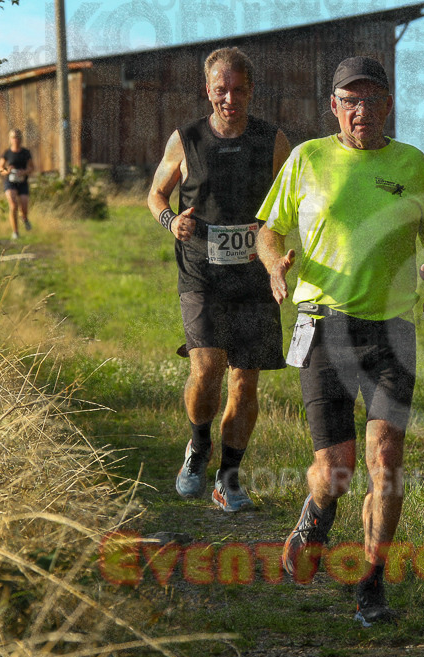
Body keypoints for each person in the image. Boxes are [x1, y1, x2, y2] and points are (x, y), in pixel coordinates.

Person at [256, 56, 424, 626]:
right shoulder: (307, 158)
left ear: (388, 105)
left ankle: (372, 582)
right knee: (337, 469)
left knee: (386, 458)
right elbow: (269, 230)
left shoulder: (411, 163)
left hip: (393, 328)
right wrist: (275, 266)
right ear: (334, 106)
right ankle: (317, 514)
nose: (361, 110)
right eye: (350, 100)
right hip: (323, 324)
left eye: (371, 99)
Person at [147, 47, 291, 513]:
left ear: (251, 90)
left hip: (254, 275)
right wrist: (171, 220)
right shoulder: (185, 139)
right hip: (201, 272)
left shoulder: (273, 140)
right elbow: (156, 193)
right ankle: (197, 445)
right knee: (207, 368)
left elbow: (294, 202)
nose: (229, 98)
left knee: (244, 382)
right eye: (220, 90)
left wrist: (281, 255)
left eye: (238, 90)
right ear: (207, 90)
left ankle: (228, 480)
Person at [0, 129, 35, 240]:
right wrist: (7, 171)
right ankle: (15, 232)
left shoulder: (26, 153)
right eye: (13, 137)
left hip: (22, 182)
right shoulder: (7, 153)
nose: (16, 140)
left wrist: (24, 172)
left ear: (21, 139)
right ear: (10, 139)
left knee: (24, 206)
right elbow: (0, 168)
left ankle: (25, 218)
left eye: (18, 137)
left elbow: (32, 167)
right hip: (10, 182)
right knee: (13, 206)